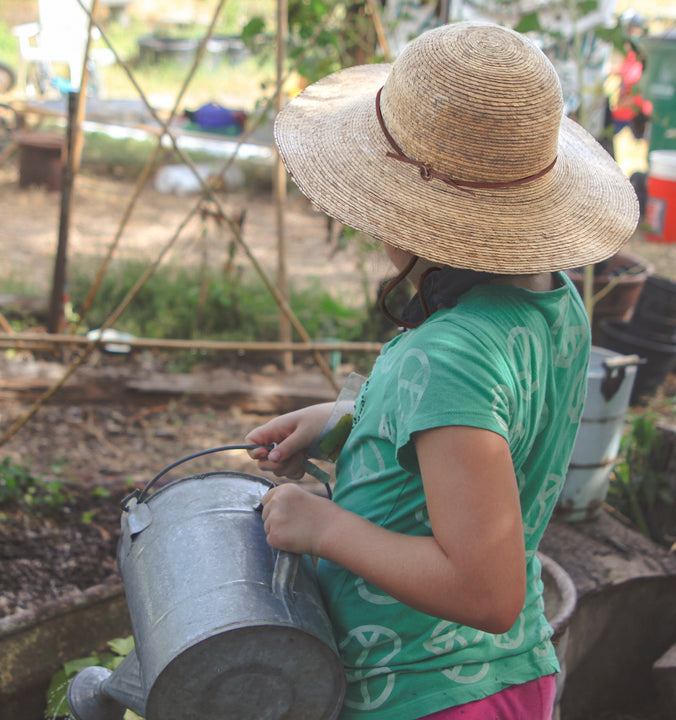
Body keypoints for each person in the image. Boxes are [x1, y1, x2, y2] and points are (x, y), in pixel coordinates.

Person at [245, 21, 639, 720]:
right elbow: (484, 432)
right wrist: (344, 423)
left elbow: (483, 594)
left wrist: (321, 527)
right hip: (497, 678)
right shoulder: (551, 301)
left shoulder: (450, 351)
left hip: (425, 692)